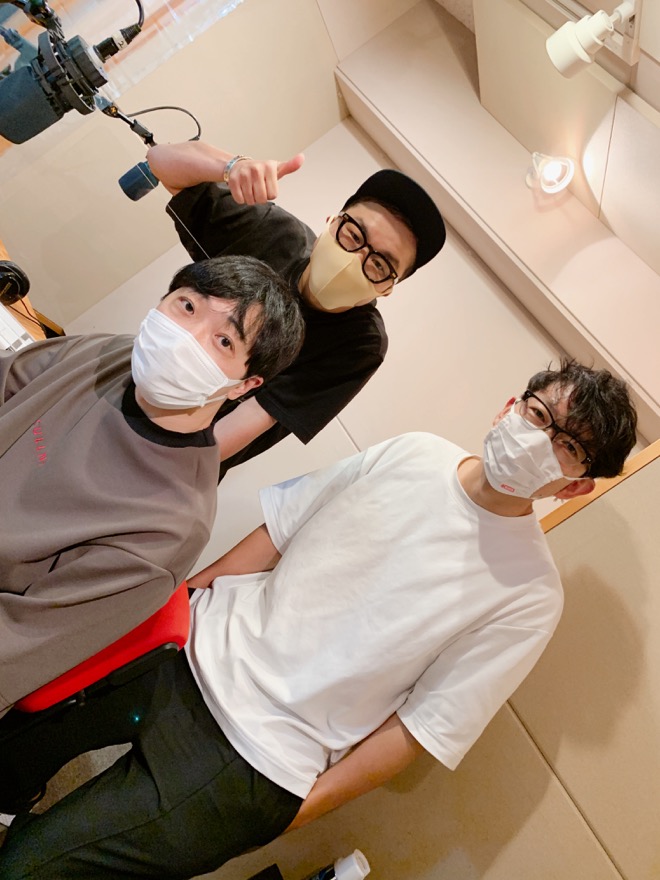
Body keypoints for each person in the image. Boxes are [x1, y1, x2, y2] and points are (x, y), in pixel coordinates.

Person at [0, 360, 637, 878]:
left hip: (256, 757)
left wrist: (293, 813)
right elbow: (282, 529)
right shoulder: (416, 452)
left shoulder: (530, 595)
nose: (538, 440)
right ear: (509, 406)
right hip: (192, 647)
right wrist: (183, 601)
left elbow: (420, 730)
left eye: (568, 446)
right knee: (10, 745)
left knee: (34, 868)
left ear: (576, 485)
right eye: (539, 415)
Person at [0, 255, 304, 714]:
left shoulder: (167, 527)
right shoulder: (111, 356)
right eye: (188, 307)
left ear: (243, 385)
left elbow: (17, 645)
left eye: (223, 340)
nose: (185, 339)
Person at [146, 140, 447, 478]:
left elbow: (251, 419)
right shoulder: (274, 234)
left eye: (379, 264)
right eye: (353, 234)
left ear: (387, 287)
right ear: (332, 222)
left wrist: (165, 466)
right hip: (146, 379)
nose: (354, 259)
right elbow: (160, 160)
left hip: (188, 456)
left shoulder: (360, 344)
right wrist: (231, 167)